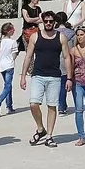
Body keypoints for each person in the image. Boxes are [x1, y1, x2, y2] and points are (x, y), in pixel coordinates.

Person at [21, 14, 70, 148]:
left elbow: (66, 57)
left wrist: (69, 78)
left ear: (54, 22)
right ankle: (40, 128)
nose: (48, 23)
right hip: (38, 75)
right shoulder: (35, 36)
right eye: (46, 21)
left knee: (51, 105)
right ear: (42, 22)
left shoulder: (61, 37)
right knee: (33, 104)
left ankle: (49, 135)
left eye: (51, 21)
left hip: (54, 76)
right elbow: (28, 56)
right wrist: (23, 76)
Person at [0, 22, 18, 116]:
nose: (14, 31)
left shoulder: (1, 41)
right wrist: (13, 57)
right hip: (9, 66)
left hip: (2, 66)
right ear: (9, 31)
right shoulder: (12, 42)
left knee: (8, 86)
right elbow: (14, 54)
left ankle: (9, 106)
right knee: (7, 87)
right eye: (12, 29)